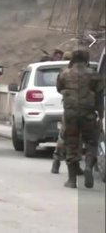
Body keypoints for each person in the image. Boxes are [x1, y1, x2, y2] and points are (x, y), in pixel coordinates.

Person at [56, 49, 103, 188]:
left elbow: (59, 88)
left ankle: (72, 180)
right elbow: (100, 97)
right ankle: (88, 166)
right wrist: (101, 116)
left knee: (71, 144)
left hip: (70, 114)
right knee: (91, 142)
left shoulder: (64, 73)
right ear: (86, 60)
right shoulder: (94, 75)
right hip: (88, 114)